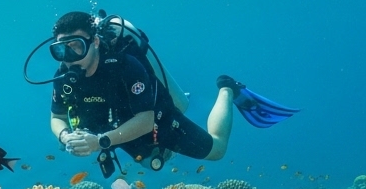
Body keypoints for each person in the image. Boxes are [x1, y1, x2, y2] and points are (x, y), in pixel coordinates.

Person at [42, 11, 297, 173]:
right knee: (148, 162)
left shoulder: (125, 66)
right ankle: (163, 142)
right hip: (114, 128)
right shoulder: (63, 76)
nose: (69, 57)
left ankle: (227, 89)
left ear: (95, 42)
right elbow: (57, 117)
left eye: (76, 47)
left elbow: (147, 119)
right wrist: (65, 137)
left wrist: (99, 141)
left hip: (151, 118)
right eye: (60, 50)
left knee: (217, 151)